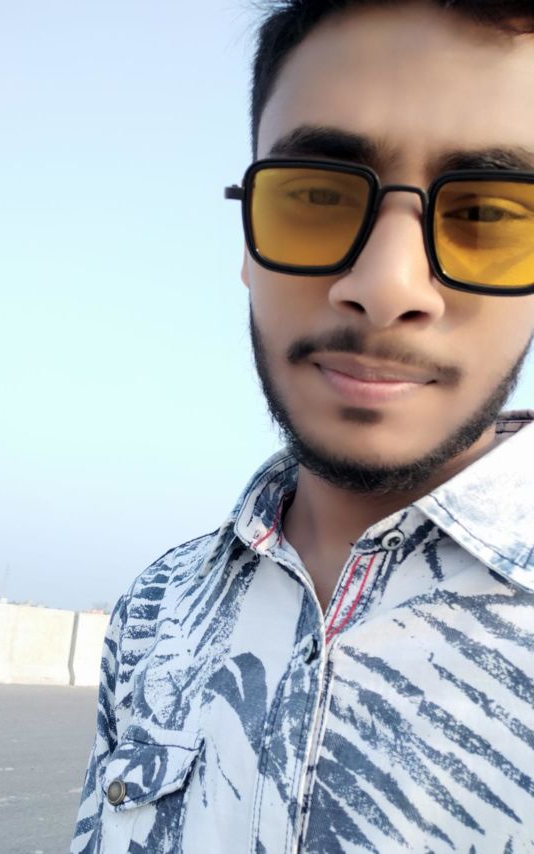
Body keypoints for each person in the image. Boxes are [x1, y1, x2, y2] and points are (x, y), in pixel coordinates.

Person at [71, 1, 534, 851]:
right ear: (247, 240)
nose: (387, 287)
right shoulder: (155, 610)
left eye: (491, 213)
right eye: (318, 196)